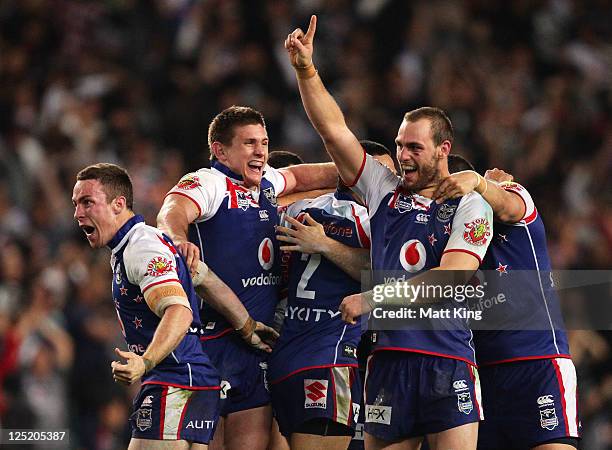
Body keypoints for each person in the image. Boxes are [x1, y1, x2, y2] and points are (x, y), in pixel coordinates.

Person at [285, 16, 494, 450]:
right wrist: (307, 70)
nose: (402, 157)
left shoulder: (471, 204)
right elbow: (334, 132)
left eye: (414, 148)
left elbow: (451, 278)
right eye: (399, 146)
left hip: (447, 359)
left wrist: (371, 298)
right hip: (387, 362)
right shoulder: (383, 191)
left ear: (443, 150)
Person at [157, 105, 337, 450]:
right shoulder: (209, 182)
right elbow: (172, 210)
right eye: (249, 143)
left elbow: (300, 177)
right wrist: (178, 238)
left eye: (264, 143)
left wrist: (367, 172)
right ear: (220, 150)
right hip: (212, 343)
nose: (260, 152)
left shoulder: (267, 180)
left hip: (257, 345)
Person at [434, 157, 581, 450]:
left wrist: (478, 183)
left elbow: (507, 205)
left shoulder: (506, 196)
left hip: (537, 365)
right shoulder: (437, 239)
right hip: (478, 374)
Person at [72, 163, 222, 449]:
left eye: (87, 202)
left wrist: (146, 360)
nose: (78, 213)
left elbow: (179, 310)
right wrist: (247, 325)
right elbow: (198, 281)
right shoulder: (130, 245)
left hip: (174, 379)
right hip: (190, 377)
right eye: (76, 204)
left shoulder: (140, 246)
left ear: (118, 204)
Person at [269, 141, 397, 450]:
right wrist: (328, 245)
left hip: (285, 359)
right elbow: (388, 274)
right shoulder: (370, 222)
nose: (394, 186)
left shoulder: (298, 209)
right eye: (385, 175)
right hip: (329, 359)